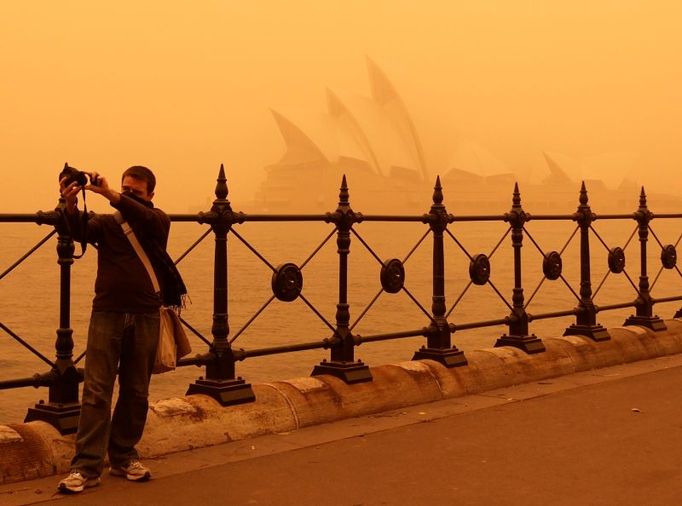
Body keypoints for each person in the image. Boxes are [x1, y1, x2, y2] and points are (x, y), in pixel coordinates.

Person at [56, 166, 185, 494]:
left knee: (136, 390)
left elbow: (144, 218)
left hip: (146, 314)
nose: (127, 196)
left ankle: (124, 455)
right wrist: (69, 201)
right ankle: (86, 466)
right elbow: (79, 229)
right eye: (124, 189)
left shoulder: (158, 222)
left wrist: (111, 194)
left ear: (151, 197)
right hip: (107, 313)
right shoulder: (109, 224)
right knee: (97, 389)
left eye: (135, 193)